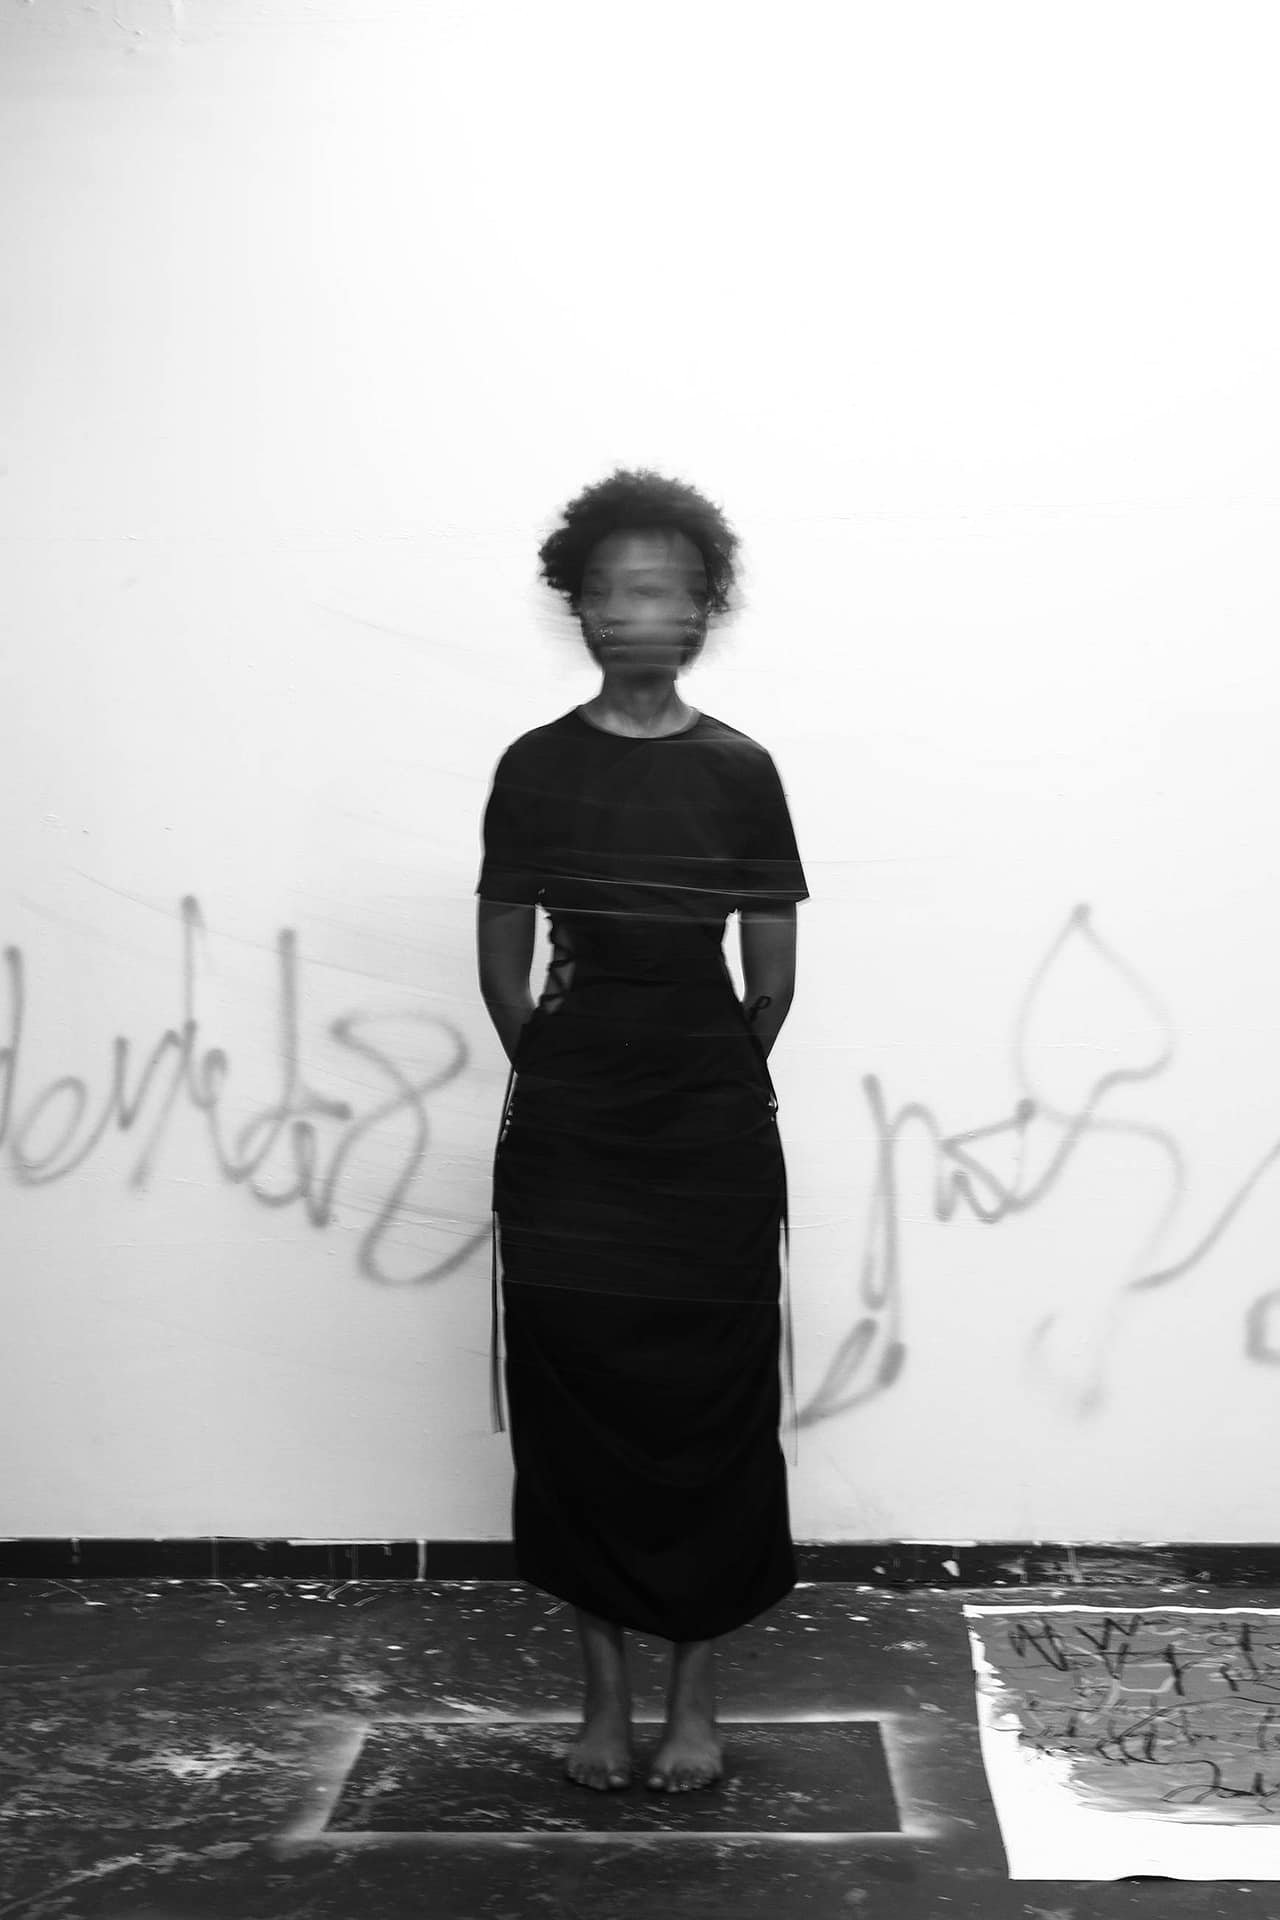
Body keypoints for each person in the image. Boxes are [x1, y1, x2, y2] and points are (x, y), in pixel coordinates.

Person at [475, 467, 808, 1797]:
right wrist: (571, 1076)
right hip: (569, 1143)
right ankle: (604, 1702)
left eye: (663, 591)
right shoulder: (534, 768)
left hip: (710, 1144)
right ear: (581, 609)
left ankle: (695, 1702)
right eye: (610, 591)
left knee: (708, 1411)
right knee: (579, 1416)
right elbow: (503, 961)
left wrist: (698, 1082)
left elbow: (771, 978)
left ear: (703, 611)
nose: (633, 611)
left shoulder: (741, 773)